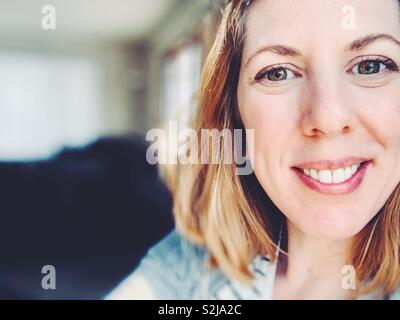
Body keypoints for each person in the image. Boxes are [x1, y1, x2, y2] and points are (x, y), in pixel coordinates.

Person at [107, 0, 400, 300]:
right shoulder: (196, 262)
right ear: (233, 114)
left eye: (370, 66)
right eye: (277, 73)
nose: (328, 117)